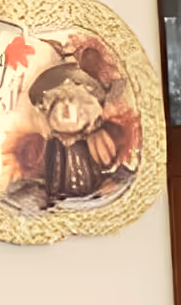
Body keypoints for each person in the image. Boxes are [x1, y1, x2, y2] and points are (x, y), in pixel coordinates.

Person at [28, 54, 129, 207]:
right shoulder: (51, 144)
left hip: (88, 198)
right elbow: (45, 172)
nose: (67, 107)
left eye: (74, 101)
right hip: (58, 202)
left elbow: (110, 165)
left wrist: (107, 181)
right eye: (59, 102)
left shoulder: (92, 141)